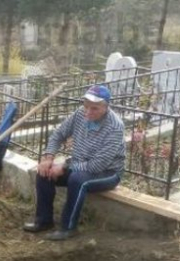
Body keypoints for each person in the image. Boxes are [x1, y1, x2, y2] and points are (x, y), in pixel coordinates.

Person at [23, 85, 126, 241]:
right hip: (79, 164)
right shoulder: (80, 114)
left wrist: (64, 167)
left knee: (77, 180)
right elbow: (59, 134)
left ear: (106, 107)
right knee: (44, 172)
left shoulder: (115, 127)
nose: (88, 112)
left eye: (94, 108)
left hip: (108, 172)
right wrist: (48, 157)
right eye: (86, 106)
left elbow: (97, 165)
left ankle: (68, 227)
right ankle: (44, 221)